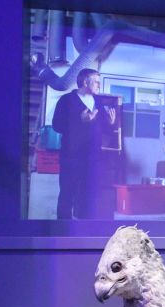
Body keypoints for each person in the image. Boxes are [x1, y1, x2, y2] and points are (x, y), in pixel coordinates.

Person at [52, 68, 116, 219]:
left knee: (87, 195)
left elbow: (102, 128)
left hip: (93, 157)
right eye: (96, 82)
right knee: (67, 193)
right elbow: (57, 126)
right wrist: (79, 120)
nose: (99, 85)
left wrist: (110, 124)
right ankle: (63, 227)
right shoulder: (67, 100)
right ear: (86, 82)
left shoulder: (98, 101)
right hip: (71, 156)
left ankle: (83, 226)